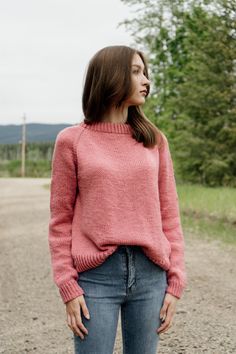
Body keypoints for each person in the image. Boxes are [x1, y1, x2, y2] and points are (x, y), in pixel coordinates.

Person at [48, 45, 187, 354]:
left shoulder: (154, 140)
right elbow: (60, 222)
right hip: (96, 277)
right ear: (111, 77)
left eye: (145, 72)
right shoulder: (72, 141)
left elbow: (169, 215)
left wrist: (175, 280)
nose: (146, 81)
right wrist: (67, 285)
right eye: (136, 72)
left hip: (151, 274)